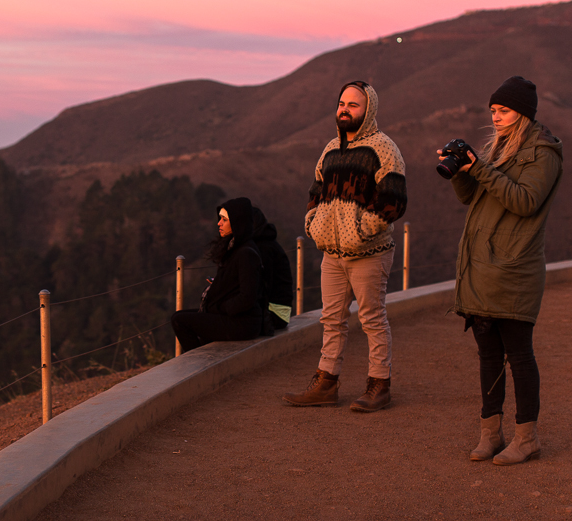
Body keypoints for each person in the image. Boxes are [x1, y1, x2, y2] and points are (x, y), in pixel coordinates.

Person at [441, 76, 562, 465]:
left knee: (519, 355)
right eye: (492, 110)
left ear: (522, 114)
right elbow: (472, 197)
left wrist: (481, 168)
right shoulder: (498, 149)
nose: (495, 117)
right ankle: (490, 434)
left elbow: (525, 201)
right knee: (488, 356)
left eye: (503, 110)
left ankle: (527, 437)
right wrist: (461, 170)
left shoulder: (543, 153)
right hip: (482, 265)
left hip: (513, 266)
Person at [284, 80, 407, 411]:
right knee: (331, 319)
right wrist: (314, 223)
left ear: (368, 110)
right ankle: (326, 383)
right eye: (341, 103)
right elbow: (315, 191)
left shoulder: (383, 149)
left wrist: (362, 230)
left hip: (369, 253)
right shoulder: (329, 150)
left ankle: (379, 384)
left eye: (353, 105)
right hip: (332, 254)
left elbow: (394, 200)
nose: (345, 109)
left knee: (372, 318)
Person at [171, 197, 269, 352]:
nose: (219, 223)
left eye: (224, 219)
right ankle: (202, 358)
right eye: (220, 219)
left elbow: (247, 297)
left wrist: (220, 308)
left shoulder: (245, 253)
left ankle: (201, 364)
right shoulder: (235, 248)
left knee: (179, 320)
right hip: (236, 317)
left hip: (243, 323)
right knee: (182, 316)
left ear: (237, 222)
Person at [251, 207, 295, 331]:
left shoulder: (264, 248)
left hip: (275, 314)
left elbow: (263, 287)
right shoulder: (265, 244)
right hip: (278, 311)